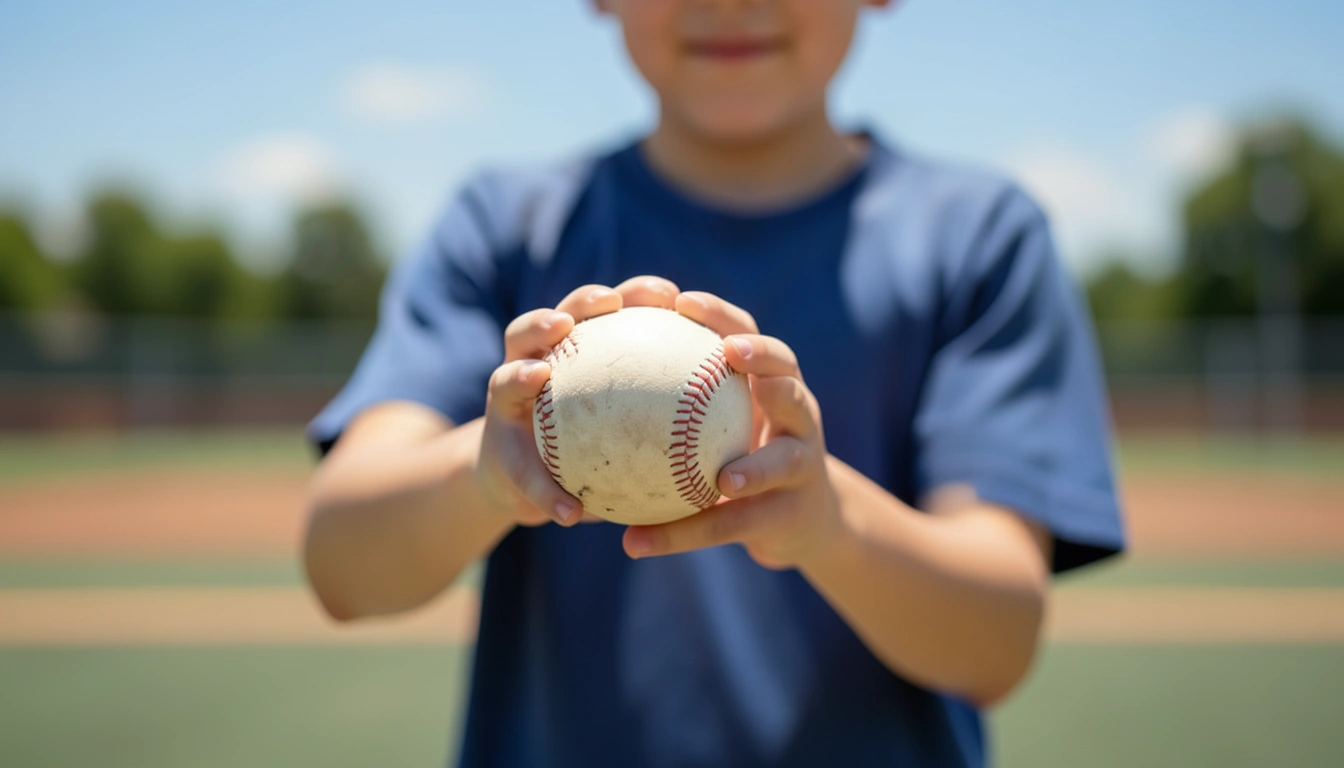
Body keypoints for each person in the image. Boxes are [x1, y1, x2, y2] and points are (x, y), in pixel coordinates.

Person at [302, 1, 1126, 766]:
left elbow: (997, 642)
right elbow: (343, 567)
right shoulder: (507, 228)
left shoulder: (977, 238)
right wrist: (483, 473)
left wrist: (828, 522)